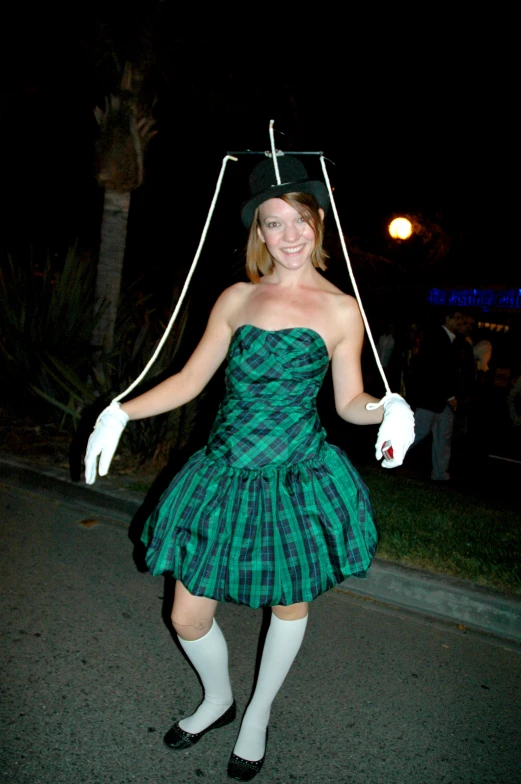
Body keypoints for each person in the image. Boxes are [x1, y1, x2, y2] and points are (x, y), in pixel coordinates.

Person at [84, 155, 415, 781]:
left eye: (299, 220)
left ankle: (258, 713)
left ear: (318, 224)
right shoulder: (237, 297)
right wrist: (120, 413)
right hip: (225, 473)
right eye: (273, 223)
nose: (288, 235)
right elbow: (188, 380)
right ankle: (218, 699)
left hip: (298, 476)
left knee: (289, 604)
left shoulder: (343, 310)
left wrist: (388, 408)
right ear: (258, 232)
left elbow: (349, 401)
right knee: (187, 614)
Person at [408, 309, 464, 481]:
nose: (460, 322)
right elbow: (439, 370)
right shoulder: (438, 338)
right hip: (432, 397)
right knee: (418, 432)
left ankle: (440, 474)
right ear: (447, 319)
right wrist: (450, 395)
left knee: (443, 436)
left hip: (439, 398)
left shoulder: (450, 339)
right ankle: (388, 455)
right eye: (457, 318)